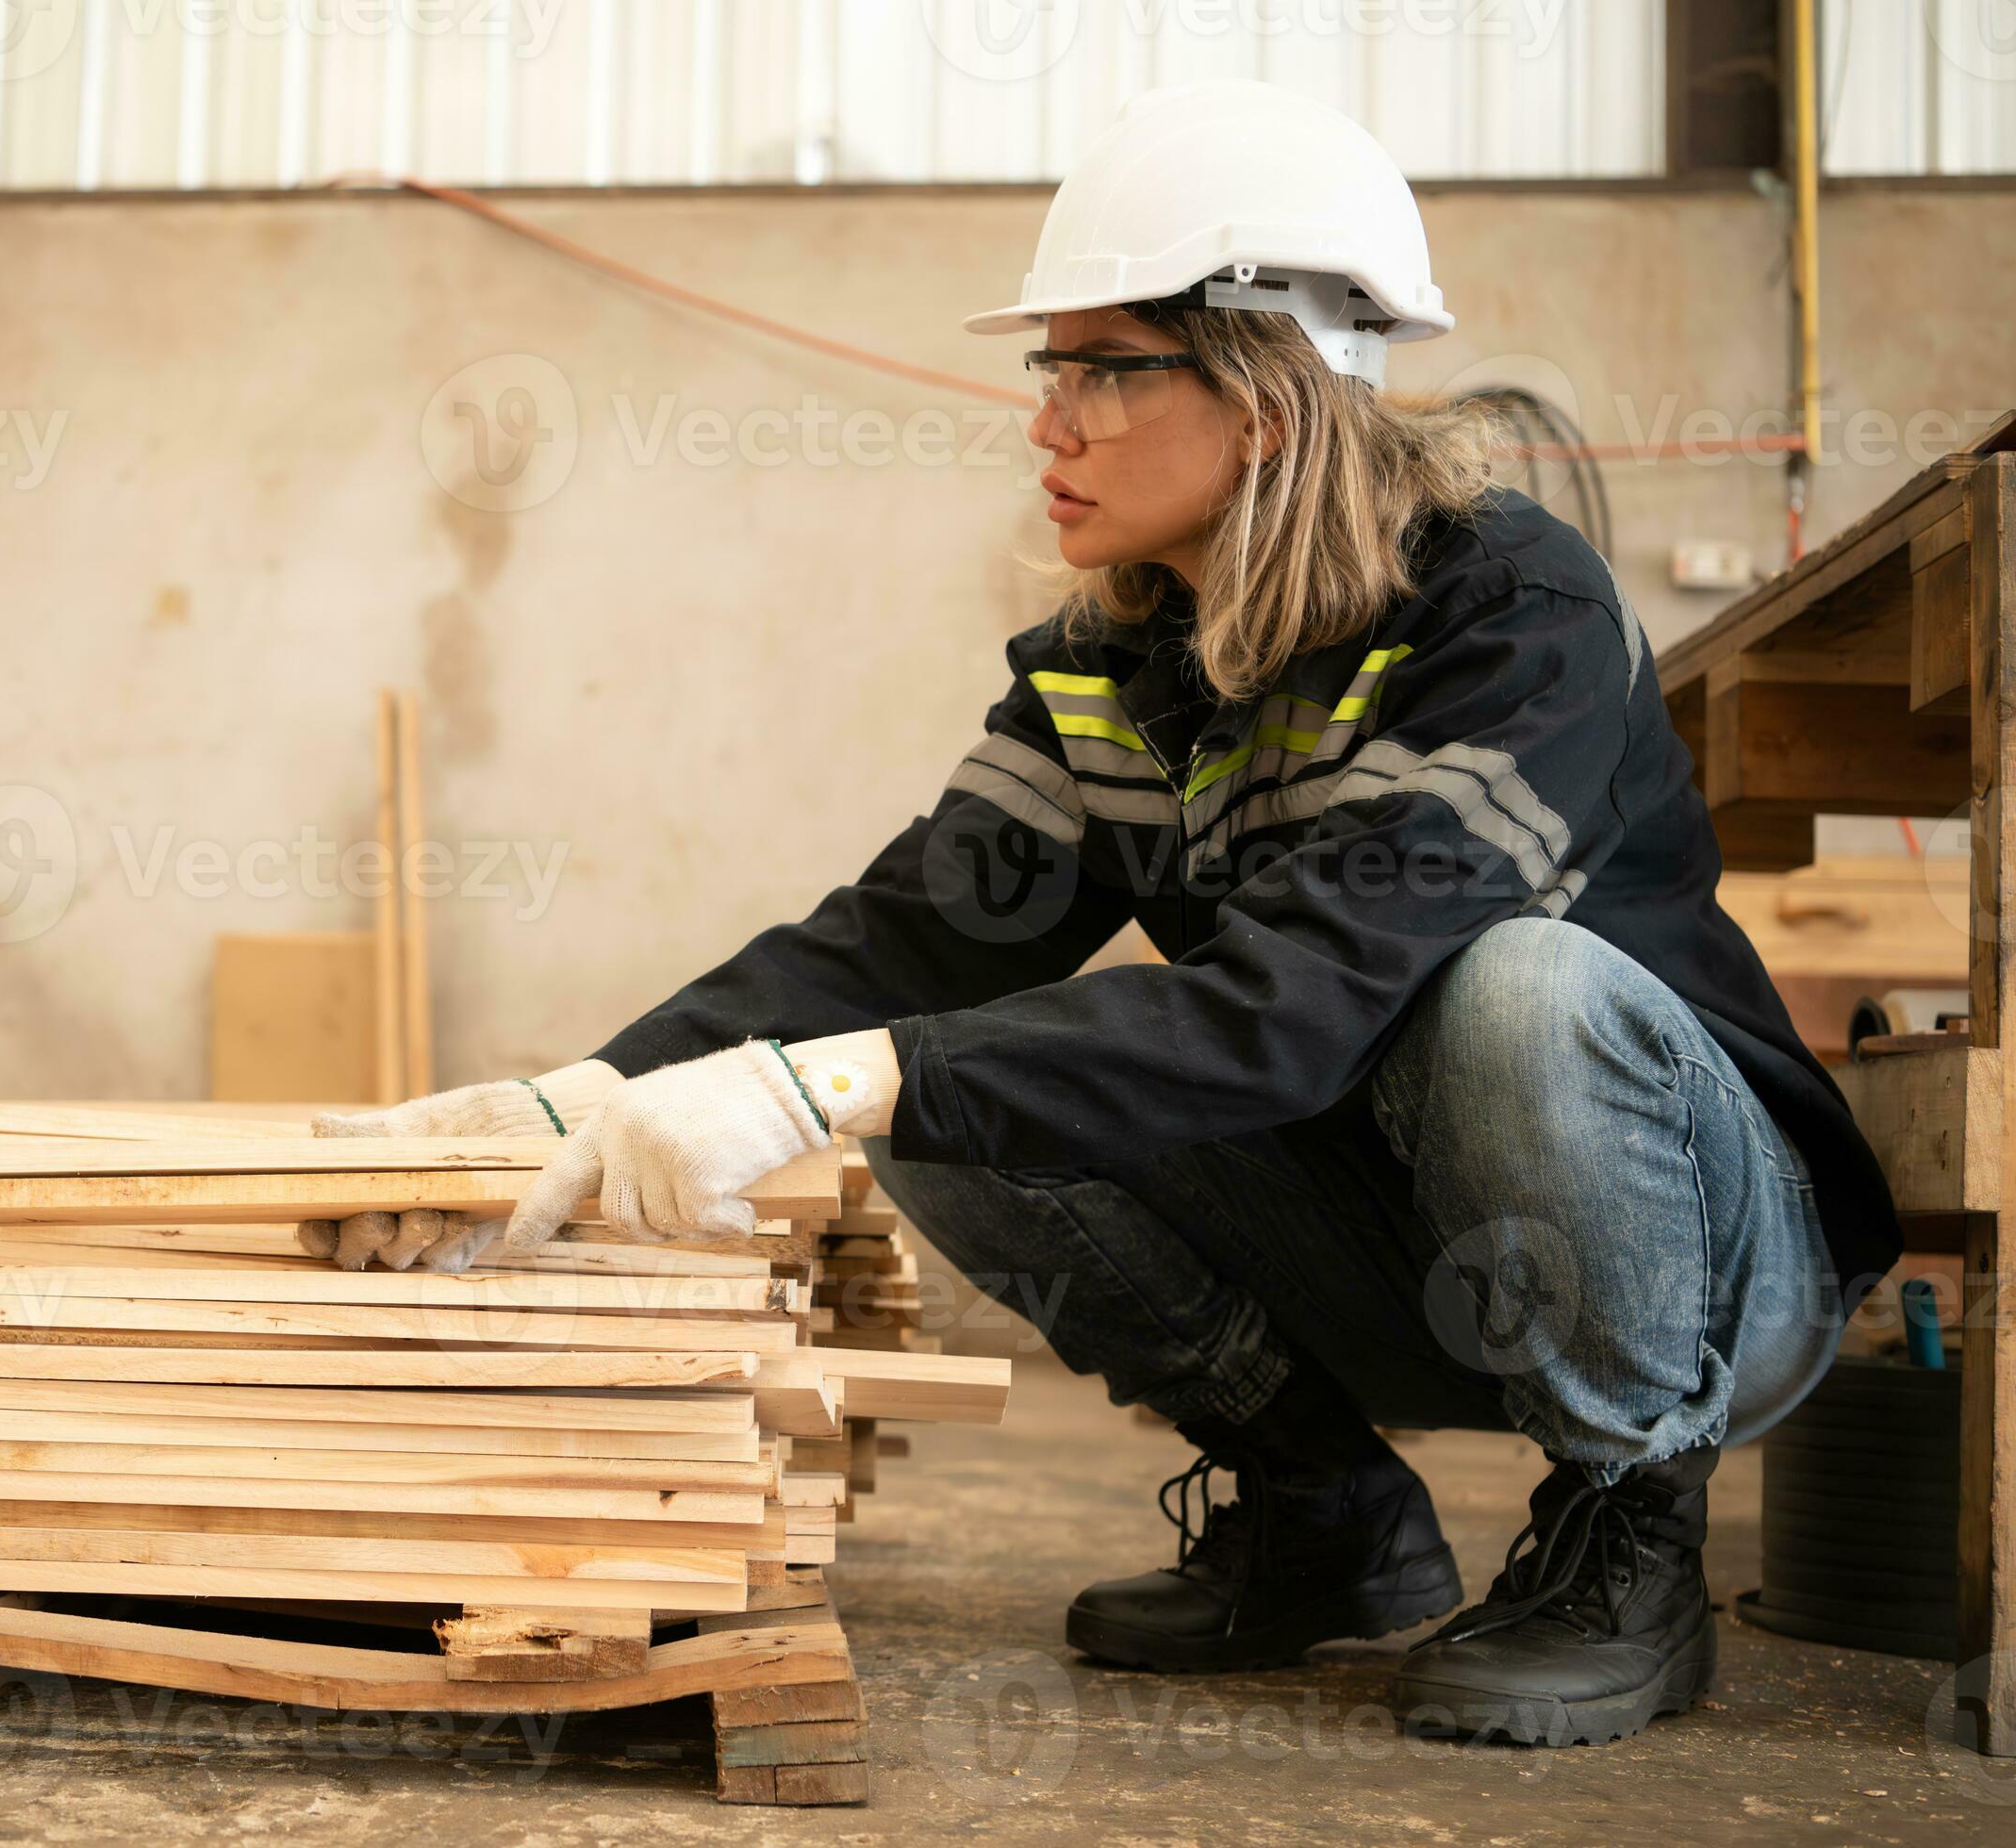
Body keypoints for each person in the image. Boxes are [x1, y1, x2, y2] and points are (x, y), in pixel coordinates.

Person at [302, 80, 1896, 1751]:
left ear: (1272, 399)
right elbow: (899, 944)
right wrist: (579, 1103)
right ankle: (1326, 1510)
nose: (1046, 420)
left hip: (1710, 1272)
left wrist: (809, 1086)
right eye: (1045, 369)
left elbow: (1295, 1006)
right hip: (1430, 1255)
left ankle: (1630, 1523)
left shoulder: (1510, 619)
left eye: (1105, 368)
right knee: (936, 1083)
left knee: (1514, 990)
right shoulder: (1108, 668)